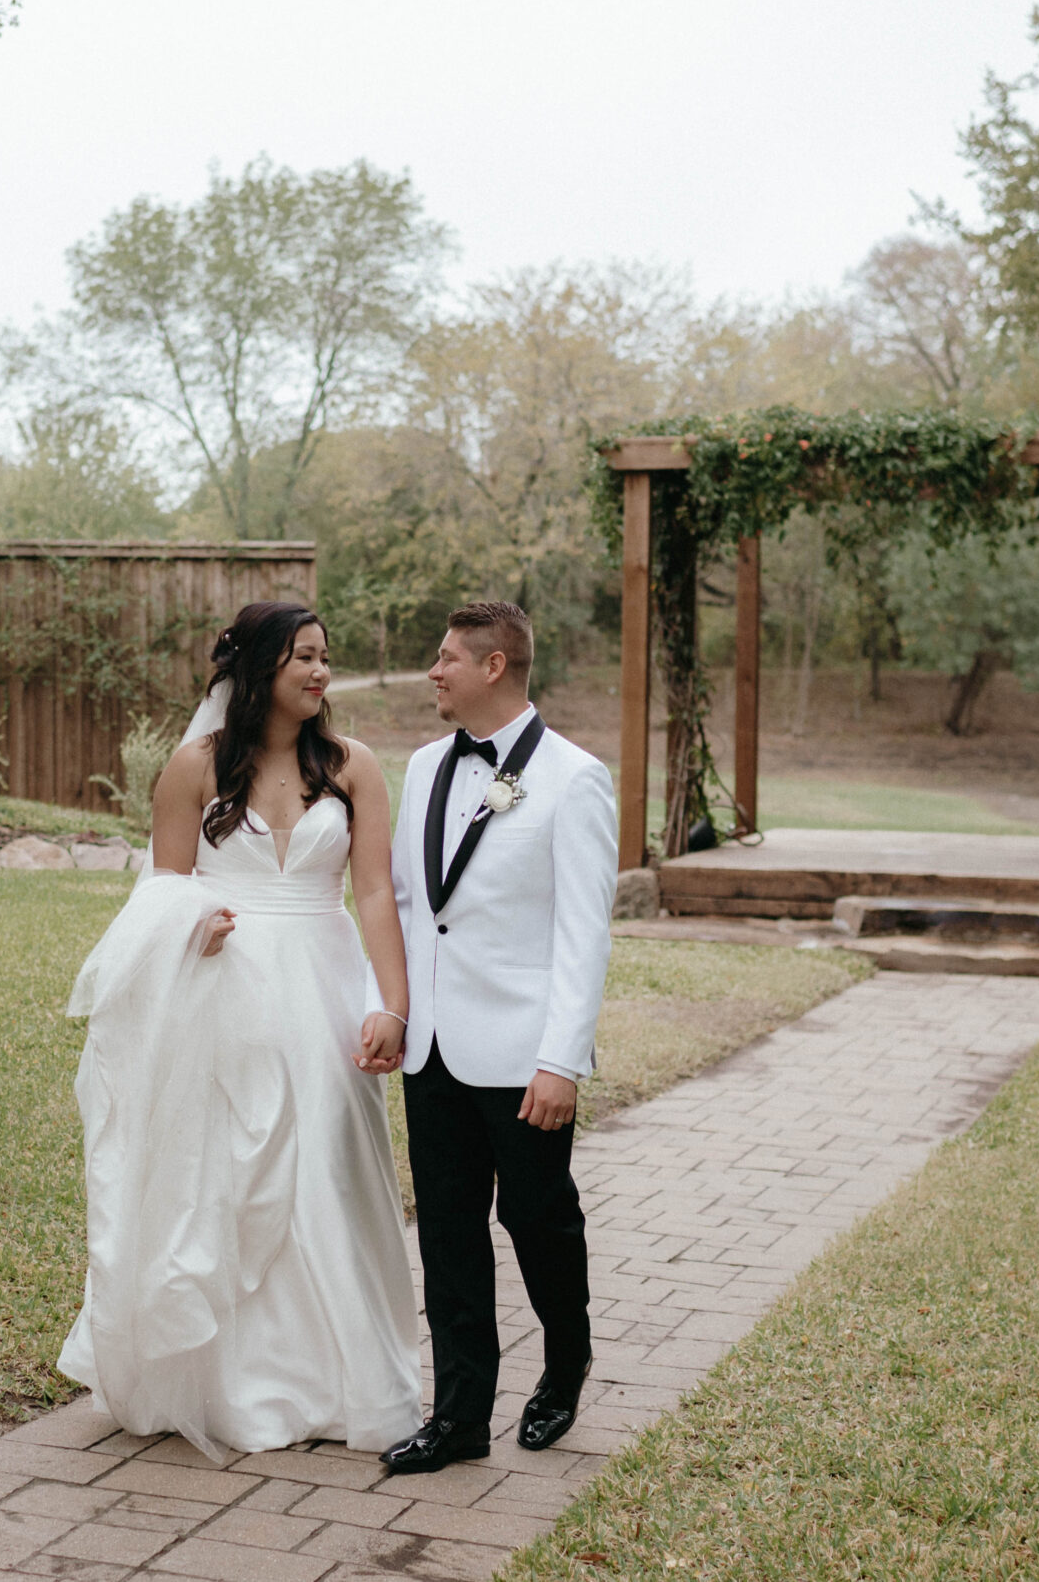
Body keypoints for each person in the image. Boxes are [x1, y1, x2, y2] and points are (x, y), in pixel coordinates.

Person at [57, 601, 422, 1462]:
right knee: (232, 1168)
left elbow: (375, 893)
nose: (320, 672)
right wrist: (191, 925)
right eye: (303, 656)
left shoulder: (354, 766)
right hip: (227, 991)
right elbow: (161, 888)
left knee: (329, 1162)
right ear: (259, 668)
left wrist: (392, 1003)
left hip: (326, 990)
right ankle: (232, 1380)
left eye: (325, 657)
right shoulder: (193, 768)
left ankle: (344, 1378)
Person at [378, 601, 617, 1474]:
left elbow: (584, 933)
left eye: (445, 658)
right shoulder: (422, 766)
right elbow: (410, 908)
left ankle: (565, 1361)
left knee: (538, 1221)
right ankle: (459, 1416)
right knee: (446, 1233)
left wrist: (562, 1059)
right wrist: (394, 1010)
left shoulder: (574, 779)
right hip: (432, 1048)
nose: (431, 671)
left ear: (495, 665)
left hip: (523, 1056)